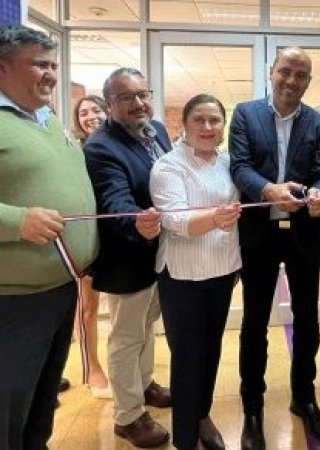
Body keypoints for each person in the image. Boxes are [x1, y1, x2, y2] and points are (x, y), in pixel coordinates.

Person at [229, 46, 320, 450]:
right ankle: (252, 410)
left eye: (301, 74)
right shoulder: (246, 114)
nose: (292, 80)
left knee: (308, 320)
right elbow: (239, 166)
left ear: (308, 81)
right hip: (258, 234)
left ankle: (304, 398)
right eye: (285, 71)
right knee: (254, 323)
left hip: (302, 233)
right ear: (271, 71)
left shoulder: (319, 123)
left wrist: (318, 192)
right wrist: (267, 190)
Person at [0, 24, 98, 448]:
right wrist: (16, 221)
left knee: (40, 408)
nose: (51, 75)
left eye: (53, 65)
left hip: (59, 290)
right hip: (13, 301)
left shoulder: (49, 119)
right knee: (7, 411)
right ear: (2, 67)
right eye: (39, 64)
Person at [84, 67, 173, 448]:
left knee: (146, 326)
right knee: (125, 337)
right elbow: (113, 199)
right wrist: (137, 221)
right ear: (109, 103)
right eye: (126, 97)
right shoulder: (101, 147)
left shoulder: (157, 131)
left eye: (142, 94)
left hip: (158, 253)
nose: (138, 103)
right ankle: (128, 416)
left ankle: (144, 384)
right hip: (126, 257)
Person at [149, 94, 241, 450]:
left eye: (214, 120)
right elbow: (174, 220)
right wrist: (215, 217)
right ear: (184, 125)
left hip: (222, 271)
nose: (207, 127)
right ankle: (185, 439)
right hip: (182, 277)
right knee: (187, 358)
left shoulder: (228, 162)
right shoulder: (168, 166)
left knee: (212, 350)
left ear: (223, 126)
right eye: (199, 120)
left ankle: (202, 415)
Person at [72, 94, 111, 398]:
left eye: (95, 110)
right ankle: (91, 368)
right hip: (85, 235)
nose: (90, 117)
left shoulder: (114, 145)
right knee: (88, 306)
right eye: (83, 113)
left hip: (111, 236)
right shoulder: (75, 152)